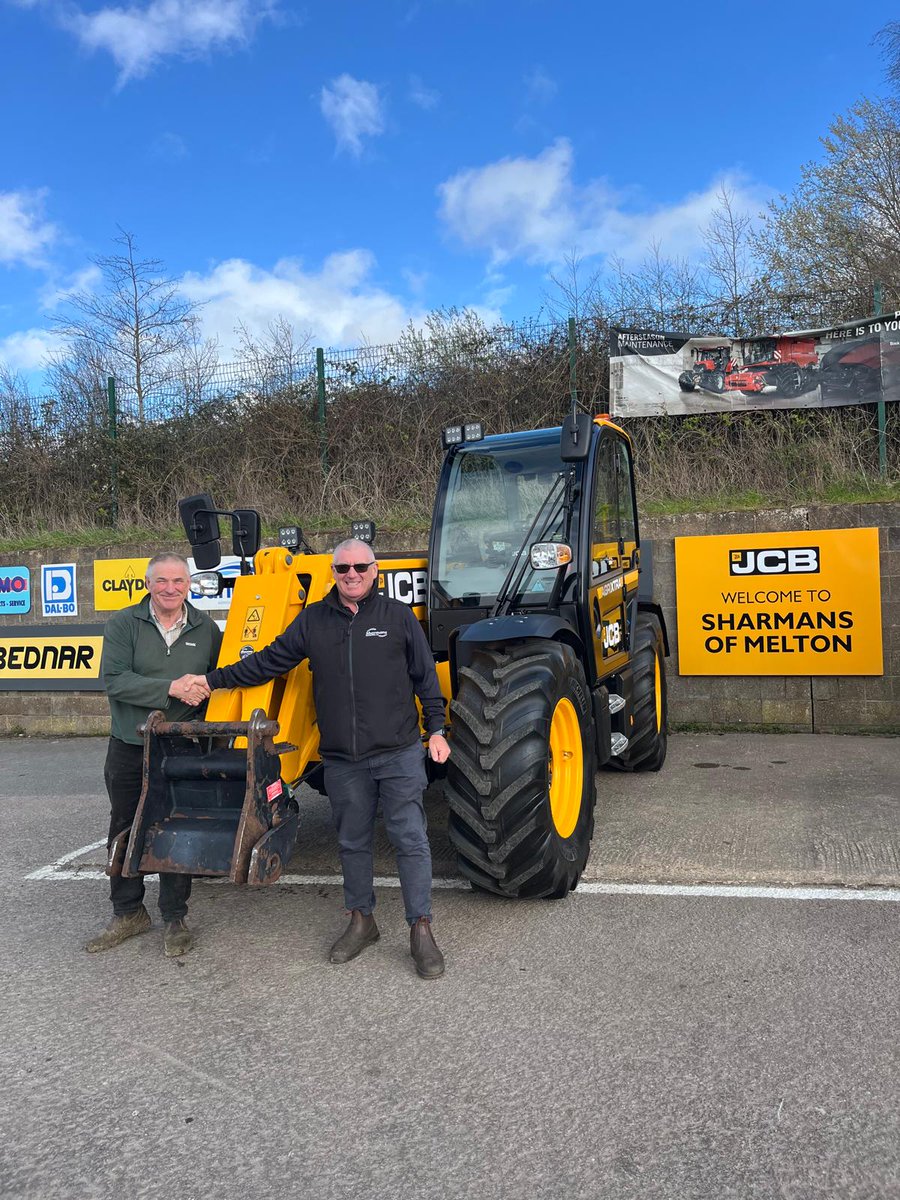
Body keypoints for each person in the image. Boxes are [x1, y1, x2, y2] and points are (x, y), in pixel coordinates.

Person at [184, 538, 450, 979]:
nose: (352, 575)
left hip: (398, 753)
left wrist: (436, 730)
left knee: (410, 839)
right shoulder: (314, 621)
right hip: (344, 761)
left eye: (360, 567)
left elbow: (426, 678)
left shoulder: (398, 617)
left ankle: (420, 928)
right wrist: (212, 681)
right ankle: (361, 920)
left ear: (374, 570)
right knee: (352, 842)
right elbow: (267, 661)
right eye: (343, 568)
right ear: (333, 573)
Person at [85, 552, 222, 958]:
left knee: (178, 828)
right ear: (148, 584)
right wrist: (172, 688)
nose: (170, 588)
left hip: (181, 744)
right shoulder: (124, 623)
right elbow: (116, 681)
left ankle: (175, 917)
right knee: (125, 826)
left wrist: (203, 694)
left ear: (189, 585)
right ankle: (127, 912)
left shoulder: (206, 628)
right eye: (161, 580)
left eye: (178, 581)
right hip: (130, 745)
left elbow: (216, 683)